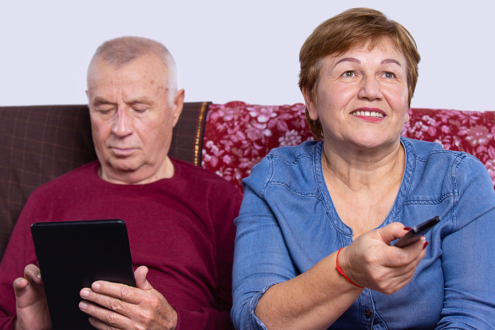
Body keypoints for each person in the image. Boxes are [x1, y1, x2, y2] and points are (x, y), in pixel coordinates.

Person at [231, 7, 495, 329]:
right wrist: (347, 270)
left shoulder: (459, 180)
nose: (371, 91)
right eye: (349, 73)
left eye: (388, 74)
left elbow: (474, 320)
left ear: (407, 101)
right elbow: (254, 321)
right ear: (311, 99)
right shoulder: (274, 180)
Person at [0, 36, 242, 330]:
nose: (120, 128)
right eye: (103, 109)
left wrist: (173, 324)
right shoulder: (48, 200)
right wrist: (22, 328)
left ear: (175, 106)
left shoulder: (218, 199)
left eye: (139, 108)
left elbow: (250, 319)